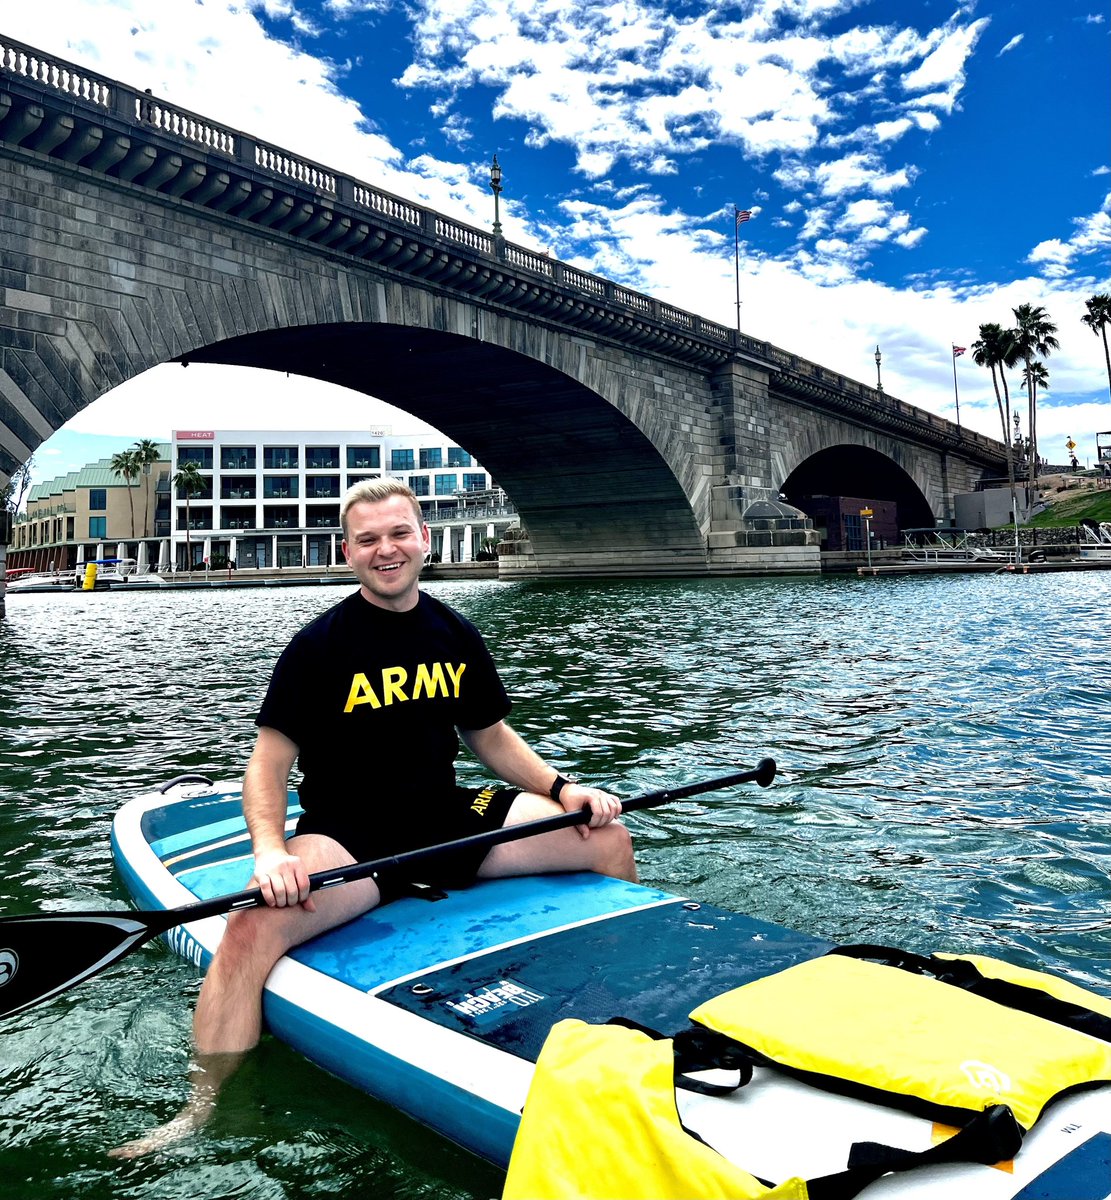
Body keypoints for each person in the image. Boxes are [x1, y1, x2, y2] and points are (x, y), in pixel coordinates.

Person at [111, 477, 636, 1157]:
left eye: (398, 534)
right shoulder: (319, 647)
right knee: (248, 931)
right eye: (368, 540)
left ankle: (619, 1004)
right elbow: (268, 763)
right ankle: (203, 1108)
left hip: (448, 818)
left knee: (605, 837)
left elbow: (488, 735)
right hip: (352, 837)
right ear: (348, 551)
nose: (385, 550)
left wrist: (564, 788)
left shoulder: (454, 631)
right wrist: (270, 853)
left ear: (423, 538)